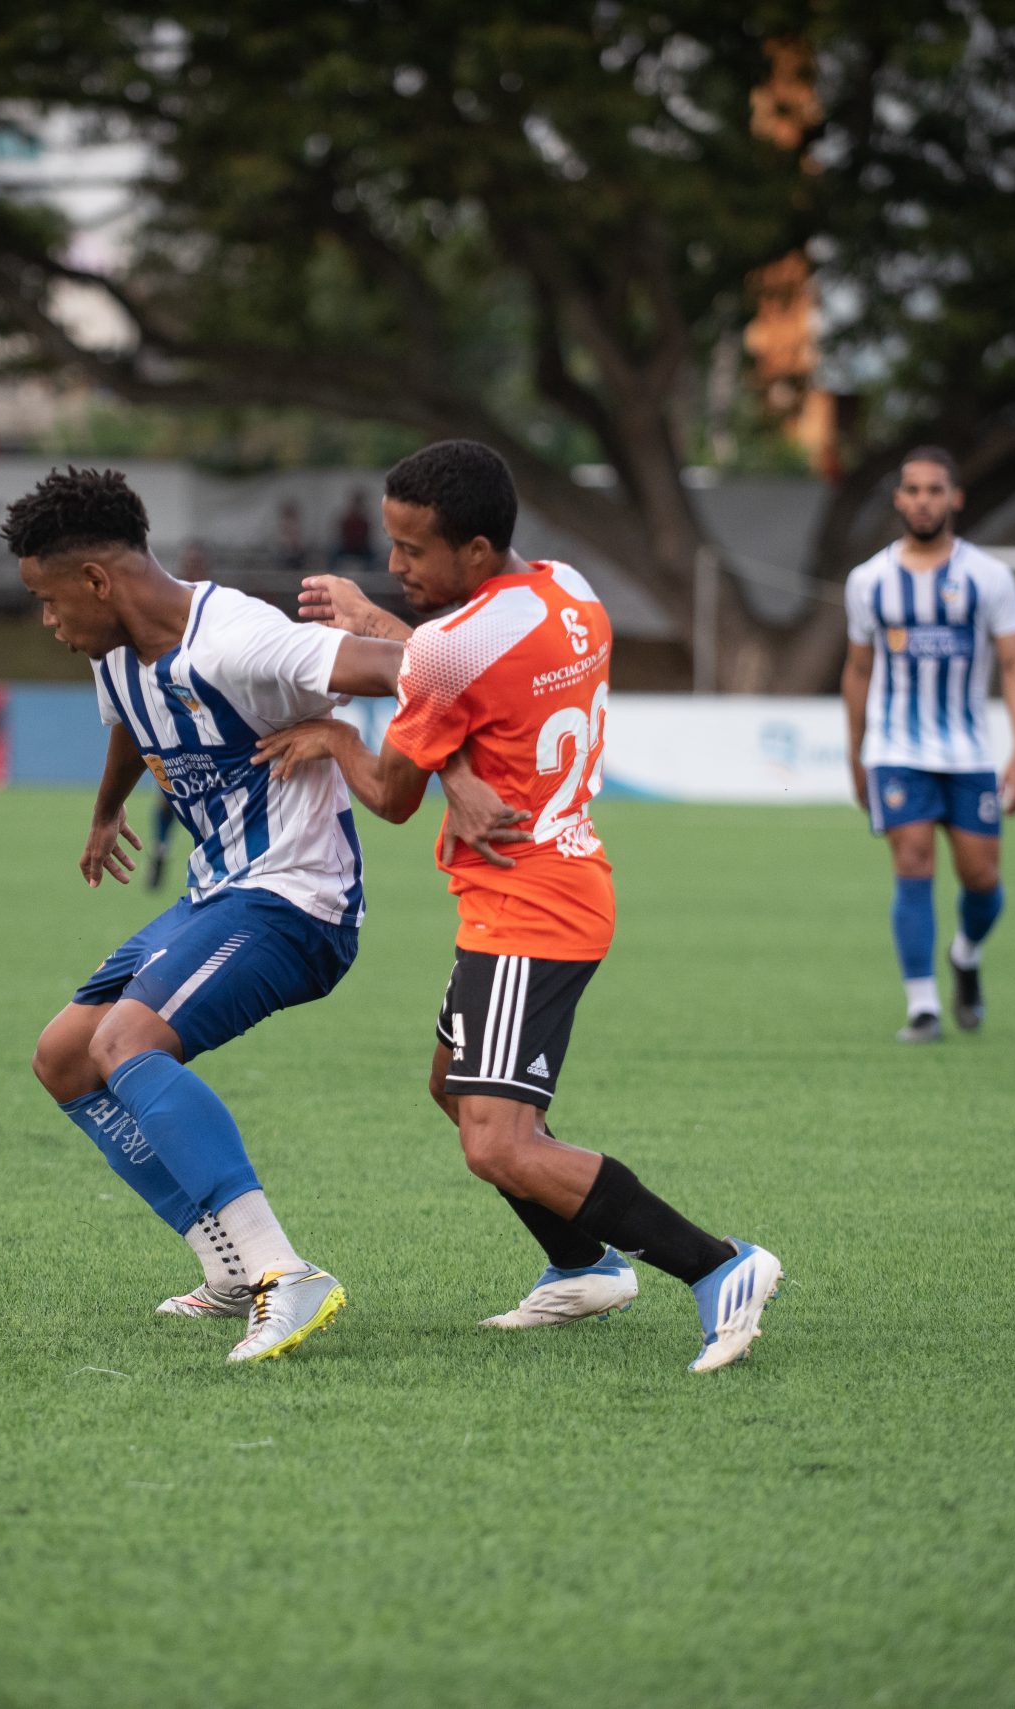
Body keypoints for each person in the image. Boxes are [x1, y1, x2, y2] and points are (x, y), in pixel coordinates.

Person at [263, 439, 781, 1375]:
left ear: (474, 550)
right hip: (559, 879)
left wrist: (338, 732)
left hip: (527, 904)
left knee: (497, 1141)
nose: (395, 565)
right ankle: (581, 1265)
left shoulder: (449, 648)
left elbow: (391, 789)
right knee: (451, 1087)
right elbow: (461, 666)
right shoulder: (571, 590)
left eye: (413, 550)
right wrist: (399, 637)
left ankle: (720, 1266)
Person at [10, 465, 403, 1363]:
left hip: (297, 901)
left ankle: (284, 1271)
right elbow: (130, 721)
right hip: (215, 891)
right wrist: (109, 809)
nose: (47, 621)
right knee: (66, 1056)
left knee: (127, 1044)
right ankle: (228, 1266)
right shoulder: (118, 651)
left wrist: (346, 733)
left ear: (97, 581)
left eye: (47, 598)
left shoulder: (243, 640)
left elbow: (415, 670)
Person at [839, 448, 1015, 1043]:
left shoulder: (988, 576)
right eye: (913, 490)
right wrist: (856, 750)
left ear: (955, 498)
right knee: (912, 860)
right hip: (897, 748)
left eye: (935, 490)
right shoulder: (869, 581)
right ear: (899, 500)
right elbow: (856, 669)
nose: (924, 500)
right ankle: (922, 1005)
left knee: (981, 879)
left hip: (969, 752)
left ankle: (967, 955)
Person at [330, 490, 374, 572]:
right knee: (333, 555)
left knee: (373, 559)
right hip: (346, 547)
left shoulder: (364, 521)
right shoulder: (347, 519)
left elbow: (367, 537)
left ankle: (372, 575)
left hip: (361, 549)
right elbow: (340, 534)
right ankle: (331, 574)